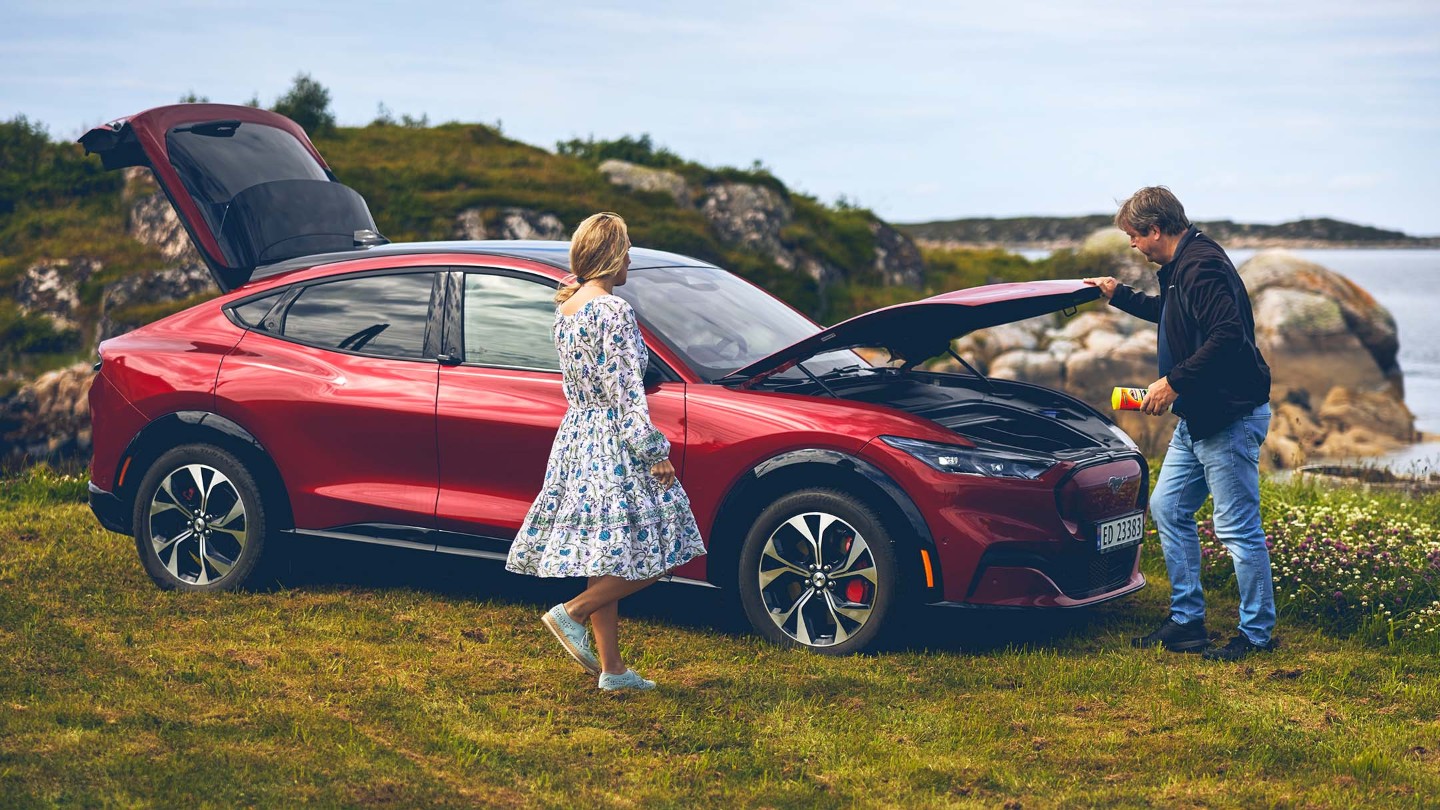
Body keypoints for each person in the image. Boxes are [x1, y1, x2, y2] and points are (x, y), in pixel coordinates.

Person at [505, 212, 706, 690]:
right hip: (615, 440)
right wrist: (652, 449)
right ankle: (571, 612)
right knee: (665, 549)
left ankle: (613, 671)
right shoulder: (613, 311)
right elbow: (625, 391)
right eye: (628, 248)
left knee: (606, 556)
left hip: (579, 436)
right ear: (612, 255)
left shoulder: (568, 308)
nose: (631, 258)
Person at [1083, 186, 1276, 661]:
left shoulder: (1201, 265)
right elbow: (1168, 315)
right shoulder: (1179, 267)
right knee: (1167, 508)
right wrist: (1117, 295)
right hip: (1199, 416)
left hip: (1229, 416)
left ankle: (1256, 635)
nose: (1131, 244)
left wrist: (1172, 381)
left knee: (1237, 529)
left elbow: (1228, 335)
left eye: (1133, 235)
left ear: (1154, 229)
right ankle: (1187, 622)